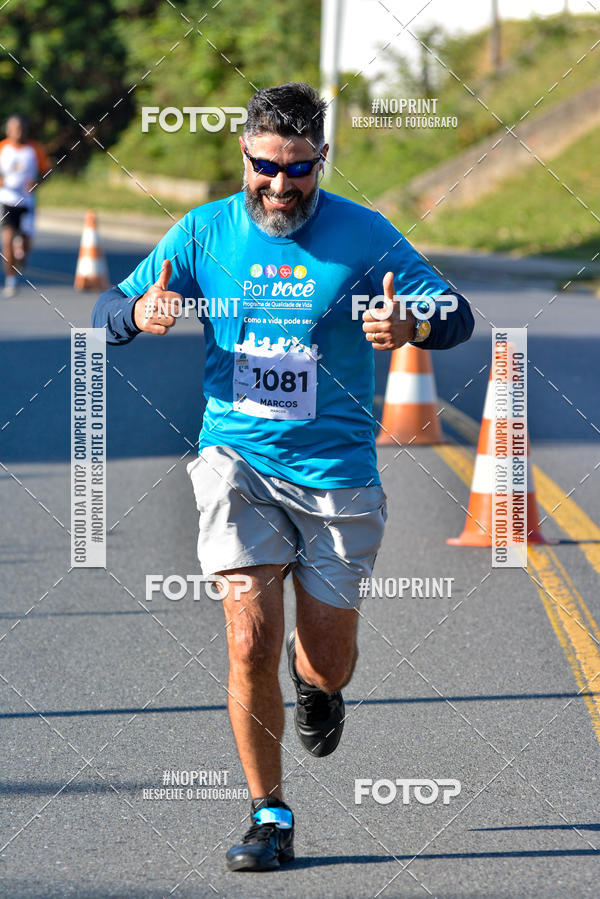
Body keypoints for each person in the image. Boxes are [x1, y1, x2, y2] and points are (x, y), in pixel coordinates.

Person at [93, 82, 474, 871]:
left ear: (321, 160)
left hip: (336, 473)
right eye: (265, 165)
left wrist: (412, 324)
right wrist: (139, 316)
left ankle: (320, 689)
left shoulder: (362, 235)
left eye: (297, 169)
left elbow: (457, 311)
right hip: (238, 462)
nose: (279, 184)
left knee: (325, 656)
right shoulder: (202, 234)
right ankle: (269, 811)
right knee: (247, 637)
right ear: (243, 153)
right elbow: (109, 314)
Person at [0, 114, 51, 297]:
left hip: (27, 201)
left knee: (26, 242)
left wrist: (38, 182)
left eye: (21, 128)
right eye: (14, 128)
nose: (18, 132)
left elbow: (48, 171)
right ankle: (11, 280)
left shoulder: (34, 149)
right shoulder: (2, 148)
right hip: (7, 200)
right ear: (8, 130)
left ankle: (21, 254)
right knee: (6, 240)